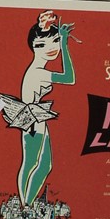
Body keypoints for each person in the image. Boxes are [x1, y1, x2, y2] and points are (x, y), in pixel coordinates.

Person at [13, 11, 75, 207]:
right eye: (41, 45)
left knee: (45, 165)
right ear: (33, 47)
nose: (50, 48)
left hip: (38, 119)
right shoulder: (38, 72)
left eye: (54, 41)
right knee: (31, 163)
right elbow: (69, 78)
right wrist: (64, 44)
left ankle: (27, 203)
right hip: (32, 121)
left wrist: (62, 41)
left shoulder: (39, 70)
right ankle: (24, 206)